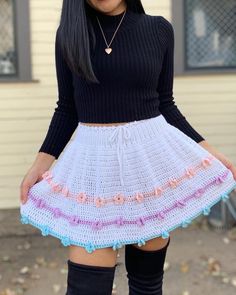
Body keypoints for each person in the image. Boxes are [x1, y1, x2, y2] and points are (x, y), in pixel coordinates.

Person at [19, 0, 236, 294]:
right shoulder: (69, 34)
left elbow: (166, 105)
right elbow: (67, 108)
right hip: (93, 171)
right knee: (86, 286)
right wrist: (39, 165)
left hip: (148, 167)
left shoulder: (158, 30)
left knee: (146, 285)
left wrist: (211, 152)